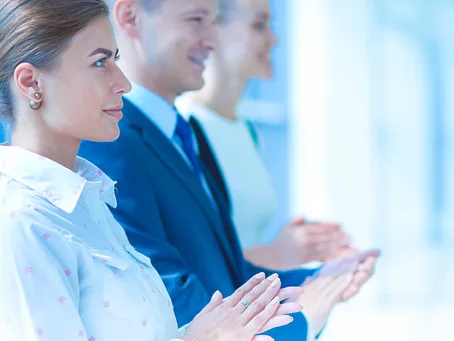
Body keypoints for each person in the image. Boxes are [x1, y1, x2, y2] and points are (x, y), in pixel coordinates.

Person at [0, 0, 304, 340]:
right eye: (100, 62)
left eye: (115, 59)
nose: (123, 83)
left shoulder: (91, 203)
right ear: (31, 83)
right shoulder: (20, 223)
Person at [78, 0, 380, 339]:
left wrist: (319, 281)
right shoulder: (107, 140)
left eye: (214, 21)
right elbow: (168, 300)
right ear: (130, 17)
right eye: (196, 20)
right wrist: (304, 318)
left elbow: (229, 273)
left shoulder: (187, 133)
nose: (211, 38)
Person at [175, 0, 355, 270]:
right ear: (212, 31)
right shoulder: (180, 130)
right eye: (259, 26)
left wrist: (302, 250)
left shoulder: (245, 129)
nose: (273, 40)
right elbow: (188, 265)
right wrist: (280, 254)